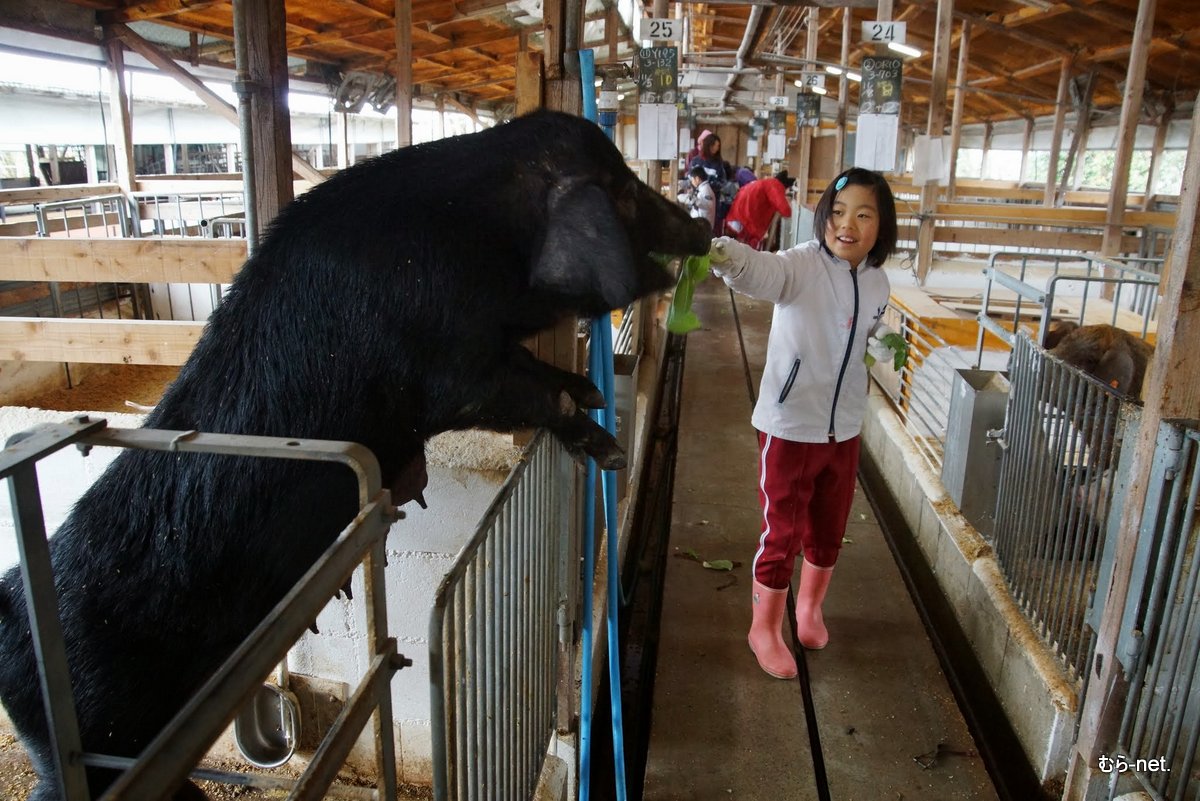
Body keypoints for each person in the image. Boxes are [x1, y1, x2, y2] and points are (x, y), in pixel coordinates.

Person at [707, 167, 902, 679]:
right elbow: (760, 271)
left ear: (883, 226)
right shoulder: (801, 266)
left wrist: (882, 343)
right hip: (790, 424)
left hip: (844, 426)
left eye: (863, 215)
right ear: (823, 218)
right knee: (782, 531)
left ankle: (809, 608)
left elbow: (873, 329)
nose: (848, 225)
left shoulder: (878, 281)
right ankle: (764, 628)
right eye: (838, 213)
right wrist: (726, 255)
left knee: (829, 527)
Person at [724, 170, 795, 251]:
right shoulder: (775, 185)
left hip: (736, 217)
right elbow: (786, 210)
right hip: (745, 223)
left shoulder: (765, 182)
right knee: (744, 256)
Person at [678, 164, 718, 234]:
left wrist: (690, 199)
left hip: (703, 227)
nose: (692, 182)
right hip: (699, 224)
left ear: (697, 179)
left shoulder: (706, 190)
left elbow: (708, 205)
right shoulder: (702, 189)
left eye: (692, 179)